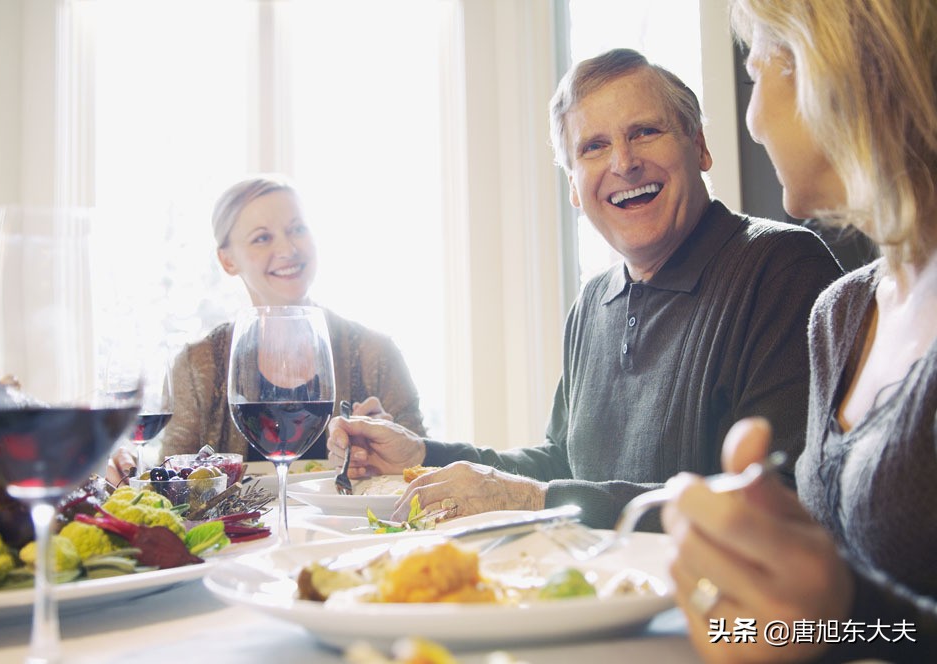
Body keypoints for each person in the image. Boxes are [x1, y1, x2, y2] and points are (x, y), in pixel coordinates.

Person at [327, 48, 841, 529]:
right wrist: (423, 455)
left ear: (701, 147)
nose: (623, 162)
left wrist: (538, 502)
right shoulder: (592, 304)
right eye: (593, 146)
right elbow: (561, 462)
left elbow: (779, 501)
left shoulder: (782, 267)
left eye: (645, 132)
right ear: (573, 185)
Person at [661, 0, 937, 661]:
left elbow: (838, 615)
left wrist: (841, 618)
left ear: (829, 63)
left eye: (755, 71)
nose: (751, 121)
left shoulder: (775, 268)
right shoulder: (839, 316)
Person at [109, 175, 426, 483]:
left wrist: (390, 456)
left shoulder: (375, 354)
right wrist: (131, 474)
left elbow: (428, 477)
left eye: (297, 229)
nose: (289, 249)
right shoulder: (196, 365)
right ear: (227, 260)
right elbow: (174, 485)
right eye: (262, 237)